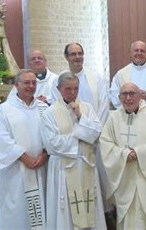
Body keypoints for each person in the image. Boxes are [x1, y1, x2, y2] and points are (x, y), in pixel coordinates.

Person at [100, 83, 146, 229]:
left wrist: (140, 153)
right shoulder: (114, 118)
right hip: (126, 180)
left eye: (132, 94)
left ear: (140, 95)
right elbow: (106, 145)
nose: (128, 98)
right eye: (124, 94)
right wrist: (123, 154)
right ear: (119, 97)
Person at [41, 72, 106, 229]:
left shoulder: (87, 108)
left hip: (86, 165)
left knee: (89, 204)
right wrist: (82, 135)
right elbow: (52, 144)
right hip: (64, 167)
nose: (72, 93)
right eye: (67, 89)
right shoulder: (49, 113)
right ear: (59, 89)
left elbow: (97, 132)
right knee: (67, 211)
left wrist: (80, 116)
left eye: (75, 89)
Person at [0, 69, 48, 229]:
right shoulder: (4, 110)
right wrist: (25, 158)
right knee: (18, 212)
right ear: (16, 85)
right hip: (17, 171)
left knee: (42, 209)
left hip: (41, 168)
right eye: (26, 83)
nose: (31, 86)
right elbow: (2, 141)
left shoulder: (43, 108)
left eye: (34, 83)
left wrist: (45, 155)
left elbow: (52, 135)